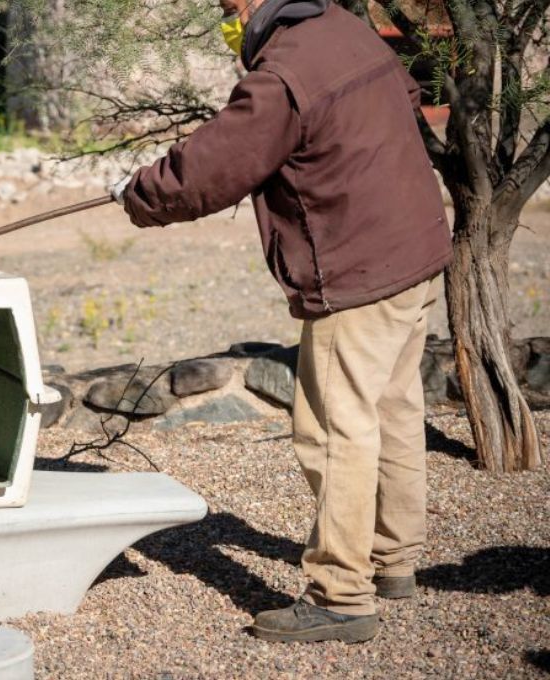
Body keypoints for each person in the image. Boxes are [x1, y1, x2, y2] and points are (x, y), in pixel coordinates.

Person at [111, 0, 451, 642]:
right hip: (417, 248)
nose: (226, 18)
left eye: (226, 7)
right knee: (394, 407)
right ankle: (393, 558)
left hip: (358, 269)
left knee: (333, 428)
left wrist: (140, 193)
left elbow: (213, 165)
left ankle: (342, 597)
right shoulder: (345, 28)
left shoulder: (286, 72)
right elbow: (412, 91)